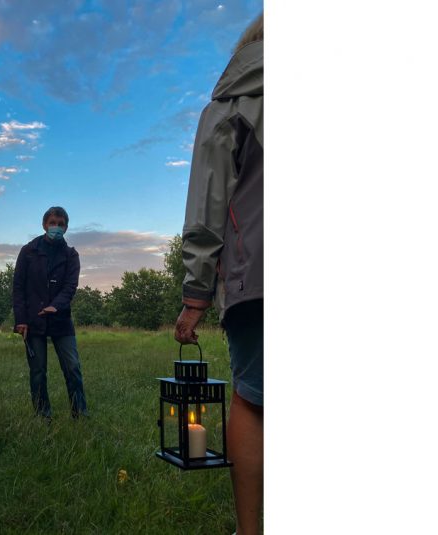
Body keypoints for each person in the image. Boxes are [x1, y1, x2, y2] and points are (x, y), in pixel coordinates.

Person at [172, 14, 264, 535]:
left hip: (261, 274)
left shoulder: (234, 98)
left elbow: (208, 200)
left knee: (253, 400)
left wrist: (196, 295)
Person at [12, 207, 89, 420]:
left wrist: (56, 305)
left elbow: (70, 286)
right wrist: (21, 320)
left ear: (66, 227)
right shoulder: (28, 251)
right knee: (38, 372)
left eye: (61, 223)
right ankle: (42, 416)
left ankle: (80, 414)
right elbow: (18, 288)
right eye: (53, 222)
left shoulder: (71, 255)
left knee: (73, 368)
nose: (56, 227)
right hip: (33, 319)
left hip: (61, 320)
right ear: (44, 224)